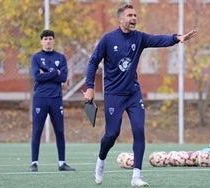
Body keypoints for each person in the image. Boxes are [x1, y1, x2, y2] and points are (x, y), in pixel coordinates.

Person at [84, 4, 197, 186]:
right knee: (112, 134)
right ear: (121, 19)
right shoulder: (108, 39)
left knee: (139, 130)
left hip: (133, 94)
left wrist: (178, 38)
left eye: (135, 15)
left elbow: (158, 40)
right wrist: (90, 87)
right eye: (130, 15)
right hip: (113, 94)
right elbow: (92, 63)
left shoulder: (139, 37)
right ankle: (101, 160)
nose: (134, 18)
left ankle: (136, 176)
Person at [29, 29, 75, 172]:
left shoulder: (60, 58)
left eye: (50, 38)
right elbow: (37, 77)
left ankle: (62, 163)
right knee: (37, 130)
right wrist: (55, 72)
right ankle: (34, 163)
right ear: (41, 41)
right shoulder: (36, 58)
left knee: (60, 131)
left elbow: (63, 78)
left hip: (55, 99)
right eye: (45, 39)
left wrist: (47, 73)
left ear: (54, 41)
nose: (48, 41)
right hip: (40, 99)